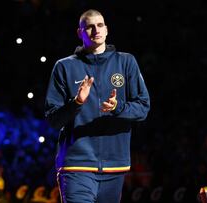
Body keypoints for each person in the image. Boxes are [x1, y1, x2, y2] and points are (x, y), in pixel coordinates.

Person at [44, 9, 150, 203]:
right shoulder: (64, 66)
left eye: (100, 25)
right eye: (89, 27)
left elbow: (143, 108)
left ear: (107, 29)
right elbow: (53, 119)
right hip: (76, 167)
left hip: (115, 167)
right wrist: (76, 103)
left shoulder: (126, 62)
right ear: (80, 33)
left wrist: (118, 108)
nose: (96, 30)